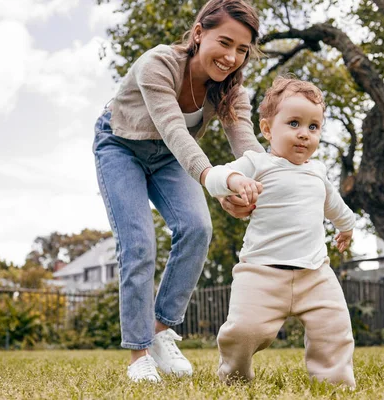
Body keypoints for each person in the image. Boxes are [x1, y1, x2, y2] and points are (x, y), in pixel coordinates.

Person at [92, 0, 265, 383]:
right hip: (121, 144)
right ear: (199, 33)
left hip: (170, 158)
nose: (232, 57)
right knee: (138, 244)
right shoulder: (158, 64)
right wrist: (219, 183)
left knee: (198, 228)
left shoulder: (231, 91)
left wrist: (265, 186)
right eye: (225, 42)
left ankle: (159, 332)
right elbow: (173, 130)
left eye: (242, 49)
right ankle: (139, 354)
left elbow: (247, 147)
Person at [204, 76, 357, 388]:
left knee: (334, 328)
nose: (304, 134)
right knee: (244, 331)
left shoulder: (318, 172)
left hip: (315, 273)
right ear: (267, 129)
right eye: (294, 123)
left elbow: (335, 206)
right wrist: (234, 180)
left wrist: (347, 227)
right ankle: (234, 377)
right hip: (260, 272)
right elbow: (215, 176)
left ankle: (335, 383)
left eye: (313, 127)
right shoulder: (257, 163)